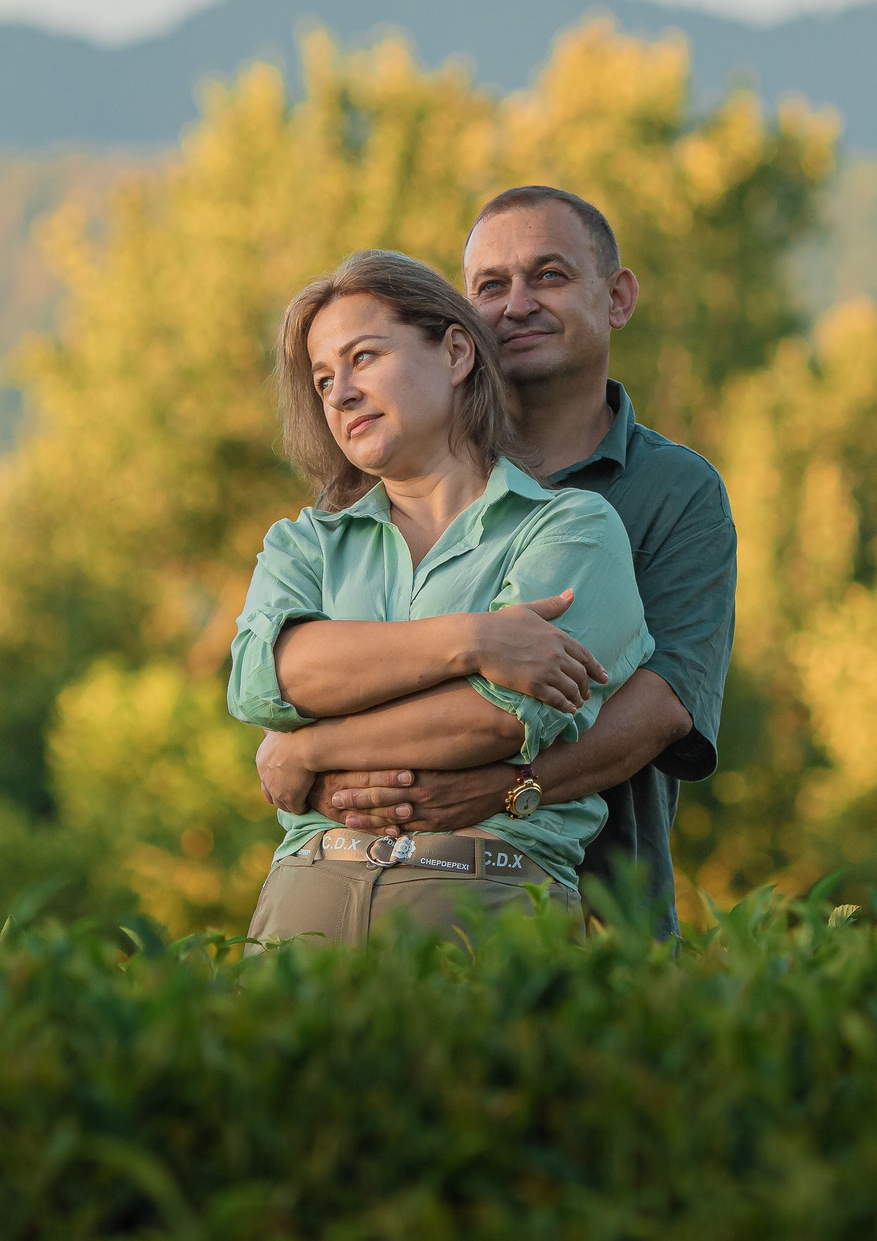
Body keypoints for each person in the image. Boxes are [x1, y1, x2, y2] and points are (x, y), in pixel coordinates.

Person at [289, 187, 737, 940]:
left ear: (617, 297)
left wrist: (504, 789)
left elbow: (666, 706)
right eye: (490, 286)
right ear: (462, 324)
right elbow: (295, 671)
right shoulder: (395, 481)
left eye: (550, 276)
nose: (516, 304)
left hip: (603, 905)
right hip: (363, 895)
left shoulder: (675, 490)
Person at [229, 248, 655, 944]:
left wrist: (307, 750)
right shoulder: (303, 544)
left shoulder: (572, 530)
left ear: (456, 351)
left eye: (364, 357)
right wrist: (477, 640)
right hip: (304, 895)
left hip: (487, 900)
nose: (338, 393)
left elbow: (498, 720)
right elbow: (266, 675)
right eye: (324, 376)